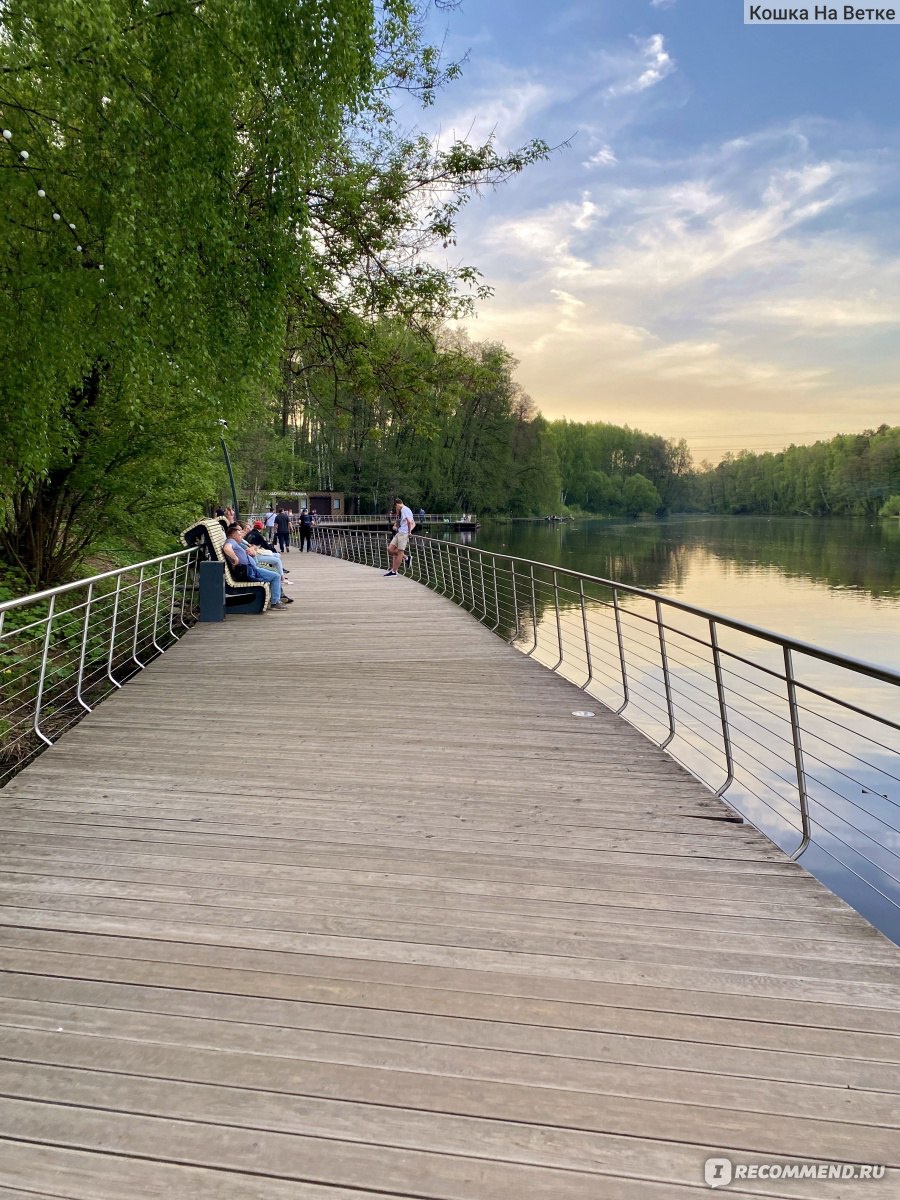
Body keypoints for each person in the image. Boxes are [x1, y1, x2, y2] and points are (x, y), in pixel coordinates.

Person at [222, 522, 288, 609]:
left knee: (275, 574)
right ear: (233, 536)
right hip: (249, 572)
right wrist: (236, 559)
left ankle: (276, 598)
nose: (241, 536)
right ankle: (275, 602)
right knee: (276, 576)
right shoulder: (231, 541)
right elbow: (226, 548)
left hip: (251, 570)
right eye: (239, 535)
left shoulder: (235, 542)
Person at [244, 521, 292, 587]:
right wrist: (272, 549)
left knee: (277, 556)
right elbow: (266, 546)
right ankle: (282, 578)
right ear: (261, 527)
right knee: (277, 560)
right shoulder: (258, 535)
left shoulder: (249, 534)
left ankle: (280, 573)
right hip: (255, 556)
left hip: (253, 555)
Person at [385, 496, 415, 576]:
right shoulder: (406, 510)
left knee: (400, 552)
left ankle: (394, 572)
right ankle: (406, 558)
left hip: (404, 534)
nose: (396, 508)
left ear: (397, 504)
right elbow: (412, 522)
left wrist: (409, 532)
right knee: (390, 549)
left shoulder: (404, 509)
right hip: (399, 532)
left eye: (396, 507)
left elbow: (409, 522)